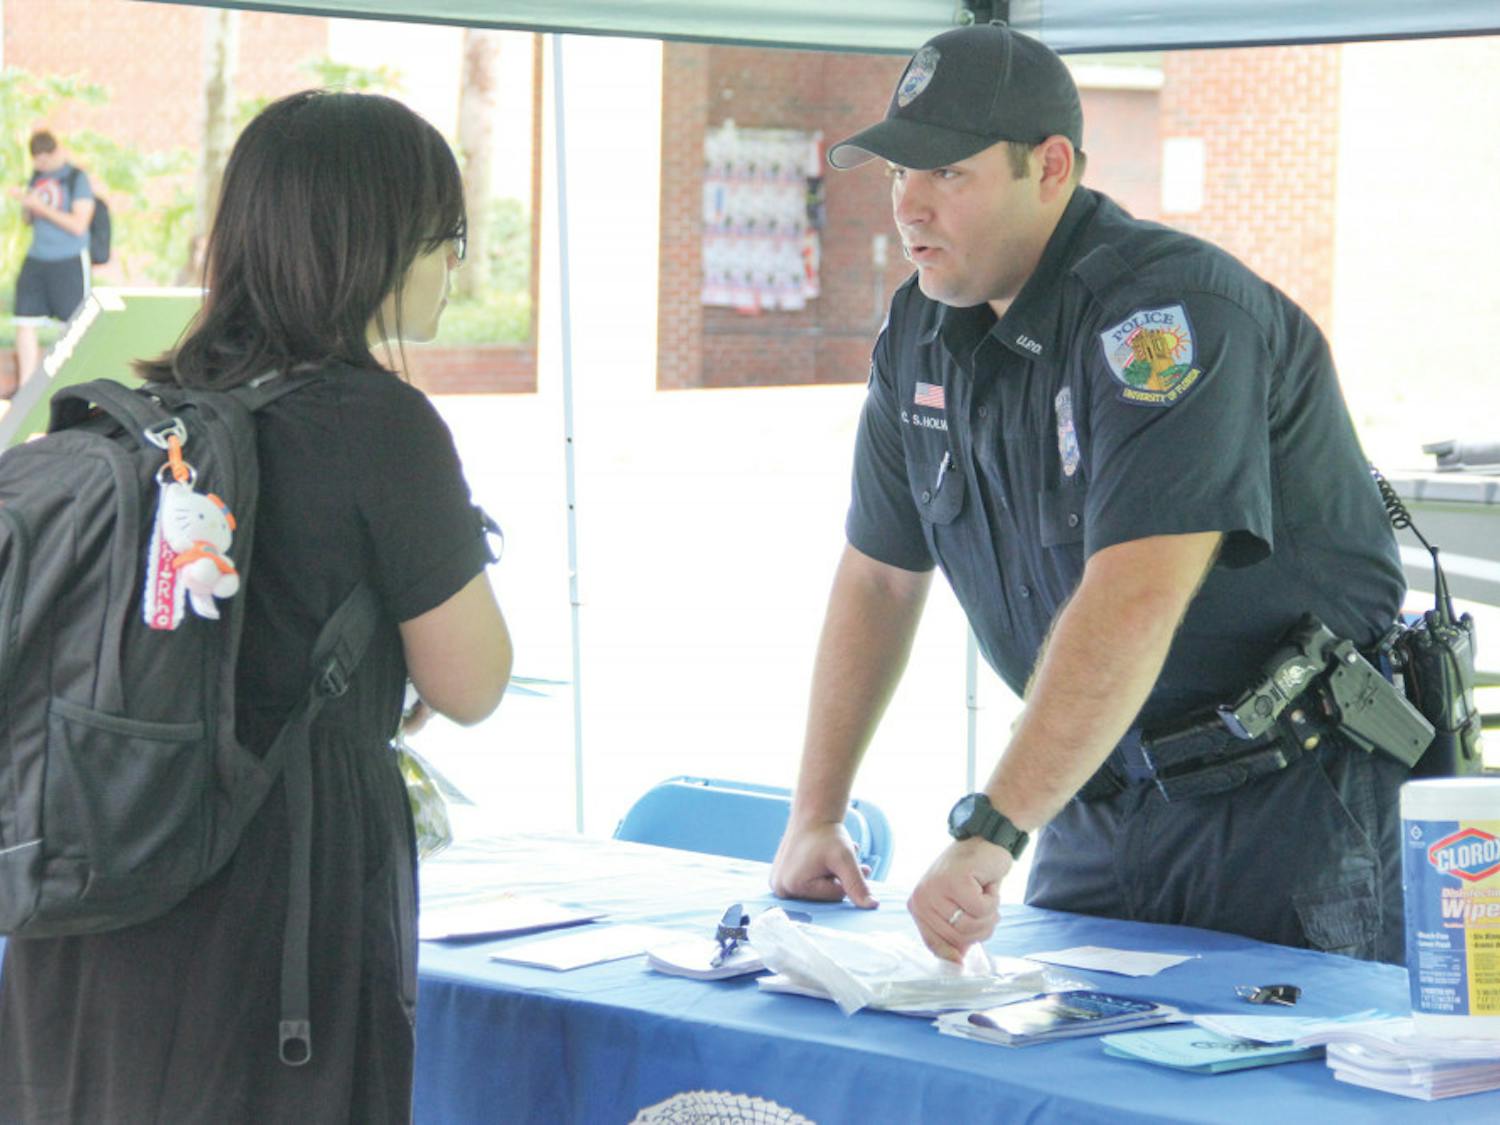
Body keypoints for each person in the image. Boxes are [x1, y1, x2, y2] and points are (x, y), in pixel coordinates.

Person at [769, 23, 1411, 966]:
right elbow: (878, 576)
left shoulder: (1167, 315)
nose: (910, 204)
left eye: (948, 172)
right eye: (898, 172)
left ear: (1053, 166)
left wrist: (993, 827)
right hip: (1090, 794)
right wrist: (817, 814)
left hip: (1288, 804)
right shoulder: (920, 327)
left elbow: (1136, 591)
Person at [0, 91, 513, 1121]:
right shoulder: (382, 423)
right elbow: (473, 681)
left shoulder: (152, 408)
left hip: (96, 900)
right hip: (270, 914)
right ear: (374, 242)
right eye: (445, 239)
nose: (454, 266)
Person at [5, 130, 96, 398]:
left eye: (46, 160)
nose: (42, 166)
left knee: (72, 323)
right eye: (37, 162)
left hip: (67, 259)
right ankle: (26, 388)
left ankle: (68, 385)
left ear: (56, 152)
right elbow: (28, 219)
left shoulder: (76, 179)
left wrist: (42, 208)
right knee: (25, 320)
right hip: (37, 257)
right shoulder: (37, 178)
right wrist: (27, 205)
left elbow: (79, 225)